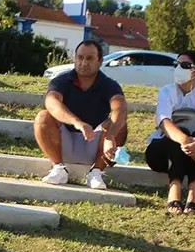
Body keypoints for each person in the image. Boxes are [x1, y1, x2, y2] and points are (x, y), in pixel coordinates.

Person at [34, 40, 128, 190]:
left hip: (95, 144)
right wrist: (77, 122)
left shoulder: (109, 85)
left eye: (89, 58)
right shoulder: (62, 80)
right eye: (80, 57)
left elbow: (120, 108)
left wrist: (110, 136)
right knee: (43, 117)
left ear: (100, 61)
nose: (83, 63)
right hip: (64, 141)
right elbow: (52, 103)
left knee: (120, 124)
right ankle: (58, 168)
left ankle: (96, 172)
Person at [145, 50, 195, 214]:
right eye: (177, 64)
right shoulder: (167, 91)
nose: (179, 68)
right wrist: (186, 141)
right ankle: (175, 187)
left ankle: (194, 191)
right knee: (182, 133)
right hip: (161, 153)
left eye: (185, 65)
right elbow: (164, 122)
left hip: (190, 157)